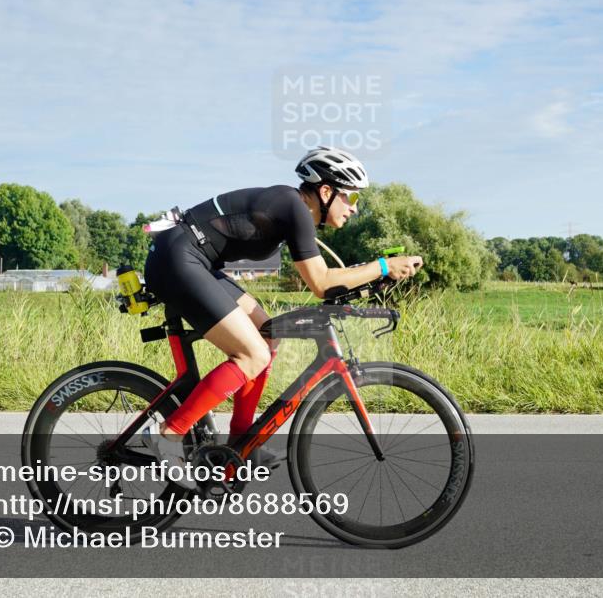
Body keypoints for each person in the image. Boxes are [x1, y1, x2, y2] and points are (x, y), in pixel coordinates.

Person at [141, 146, 423, 485]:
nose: (354, 208)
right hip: (178, 259)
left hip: (191, 258)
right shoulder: (295, 209)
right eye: (350, 198)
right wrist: (382, 266)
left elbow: (331, 278)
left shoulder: (294, 209)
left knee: (267, 333)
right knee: (252, 354)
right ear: (325, 191)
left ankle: (242, 443)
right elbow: (321, 283)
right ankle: (169, 433)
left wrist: (376, 275)